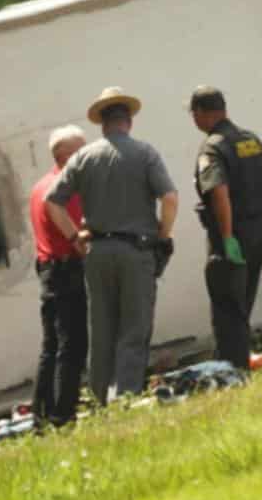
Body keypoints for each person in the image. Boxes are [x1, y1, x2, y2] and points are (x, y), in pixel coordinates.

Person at [45, 88, 179, 403]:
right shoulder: (145, 153)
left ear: (102, 124)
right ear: (128, 121)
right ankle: (127, 398)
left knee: (102, 328)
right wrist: (163, 234)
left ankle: (100, 400)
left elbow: (53, 202)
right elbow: (170, 198)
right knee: (134, 326)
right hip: (136, 251)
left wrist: (74, 237)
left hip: (97, 253)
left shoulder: (82, 156)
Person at [189, 86, 262, 373]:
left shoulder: (213, 146)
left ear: (201, 113)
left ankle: (232, 371)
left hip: (233, 233)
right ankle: (236, 361)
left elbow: (219, 192)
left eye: (193, 113)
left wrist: (226, 238)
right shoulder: (250, 139)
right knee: (243, 300)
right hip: (260, 228)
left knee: (228, 306)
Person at [29, 126, 89, 429]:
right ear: (66, 156)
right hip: (67, 269)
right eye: (82, 150)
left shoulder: (40, 186)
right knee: (73, 344)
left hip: (48, 268)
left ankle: (42, 414)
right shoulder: (64, 188)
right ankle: (63, 416)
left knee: (51, 345)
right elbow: (77, 232)